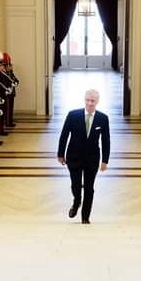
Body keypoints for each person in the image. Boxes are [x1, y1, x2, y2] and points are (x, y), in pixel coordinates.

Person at [57, 88, 111, 224]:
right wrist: (60, 154)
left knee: (89, 187)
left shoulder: (103, 118)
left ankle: (85, 217)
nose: (90, 103)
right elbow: (64, 135)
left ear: (97, 102)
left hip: (92, 158)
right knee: (75, 185)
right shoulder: (72, 115)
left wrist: (105, 161)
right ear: (84, 100)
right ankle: (76, 200)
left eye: (93, 101)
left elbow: (106, 140)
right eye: (88, 100)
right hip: (74, 156)